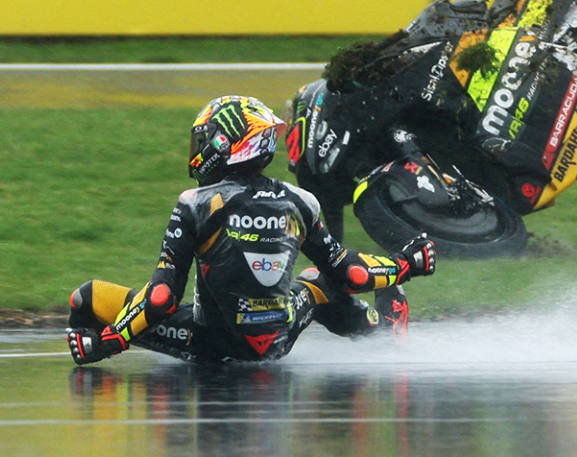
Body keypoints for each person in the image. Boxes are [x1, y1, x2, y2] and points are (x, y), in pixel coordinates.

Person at [66, 95, 436, 365]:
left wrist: (110, 341)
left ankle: (86, 345)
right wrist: (407, 263)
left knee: (86, 297)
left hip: (208, 344)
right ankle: (382, 333)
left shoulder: (195, 203)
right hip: (278, 340)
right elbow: (351, 273)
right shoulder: (301, 200)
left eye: (204, 140)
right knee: (316, 280)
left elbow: (162, 298)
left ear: (224, 143)